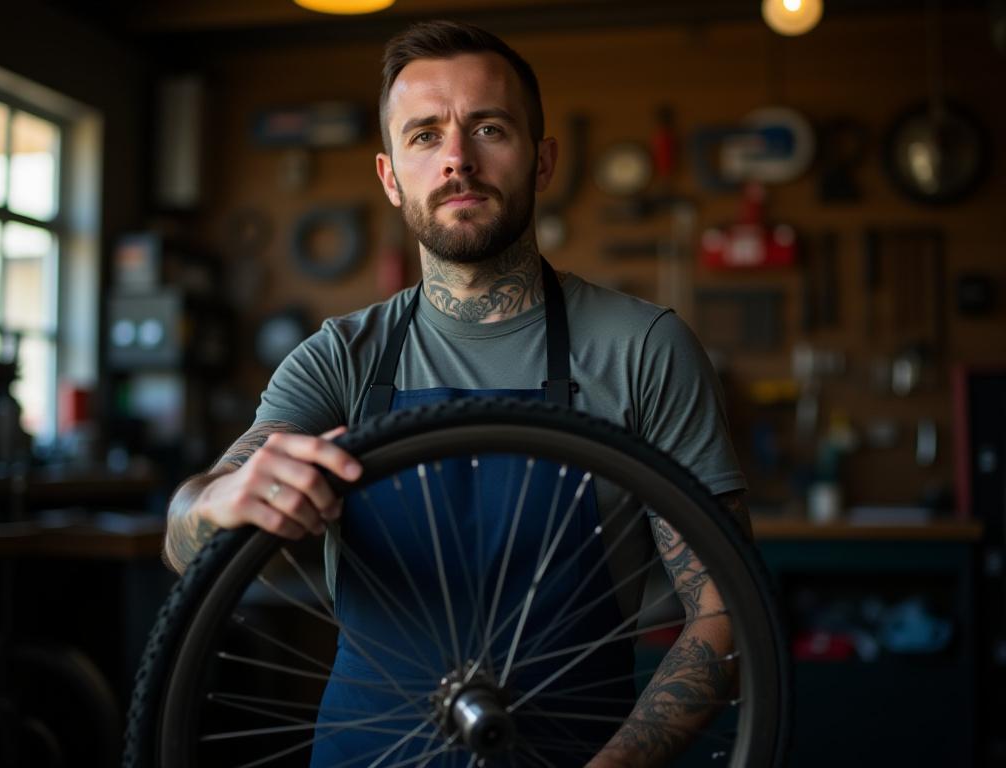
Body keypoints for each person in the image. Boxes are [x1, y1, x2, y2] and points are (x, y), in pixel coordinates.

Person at [164, 19, 751, 767]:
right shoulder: (340, 361)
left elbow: (725, 606)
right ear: (388, 176)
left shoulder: (643, 350)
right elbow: (188, 535)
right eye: (424, 136)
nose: (457, 160)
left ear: (542, 162)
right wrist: (216, 503)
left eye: (488, 128)